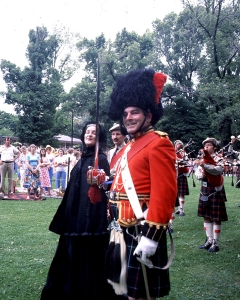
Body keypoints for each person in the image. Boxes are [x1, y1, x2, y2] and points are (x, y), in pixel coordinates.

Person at [106, 68, 177, 299]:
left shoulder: (159, 143)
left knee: (140, 296)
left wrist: (151, 237)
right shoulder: (127, 146)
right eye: (125, 113)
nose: (128, 117)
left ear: (149, 114)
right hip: (121, 229)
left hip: (141, 231)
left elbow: (164, 194)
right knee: (122, 292)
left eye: (134, 112)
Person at [41, 122, 125, 300]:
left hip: (89, 222)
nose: (89, 134)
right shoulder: (82, 157)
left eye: (94, 132)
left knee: (89, 261)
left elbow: (102, 191)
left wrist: (101, 182)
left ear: (99, 137)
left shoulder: (100, 158)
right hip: (74, 218)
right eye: (87, 131)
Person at [194, 137, 228, 252]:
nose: (206, 147)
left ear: (214, 147)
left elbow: (218, 170)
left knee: (216, 217)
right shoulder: (202, 159)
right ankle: (209, 240)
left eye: (209, 145)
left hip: (215, 189)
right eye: (205, 145)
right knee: (206, 216)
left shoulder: (219, 158)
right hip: (204, 189)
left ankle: (215, 243)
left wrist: (204, 166)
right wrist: (201, 175)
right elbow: (197, 173)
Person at [174, 140, 190, 217]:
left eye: (180, 144)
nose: (179, 146)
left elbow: (186, 161)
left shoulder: (183, 153)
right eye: (177, 144)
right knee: (176, 193)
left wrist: (180, 159)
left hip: (181, 174)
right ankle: (178, 209)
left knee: (181, 193)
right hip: (174, 174)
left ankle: (182, 210)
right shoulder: (172, 152)